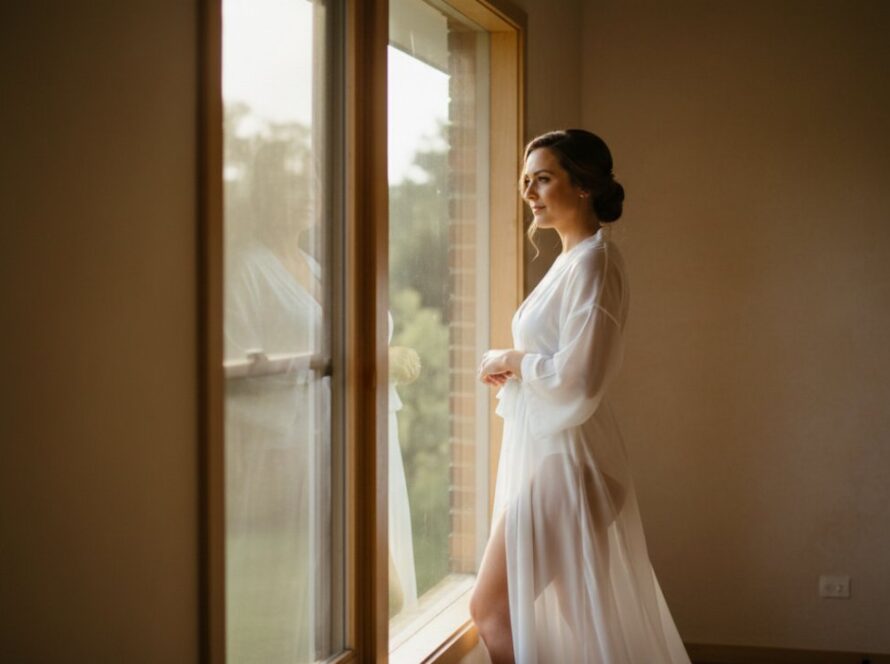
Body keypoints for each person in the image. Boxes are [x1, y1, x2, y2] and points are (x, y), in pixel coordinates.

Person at [471, 129, 691, 663]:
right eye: (527, 181)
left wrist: (512, 361)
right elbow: (563, 360)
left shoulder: (595, 261)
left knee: (491, 609)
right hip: (563, 460)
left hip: (573, 465)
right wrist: (515, 364)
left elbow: (580, 379)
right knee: (586, 626)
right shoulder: (572, 261)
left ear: (585, 185)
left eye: (543, 179)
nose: (529, 193)